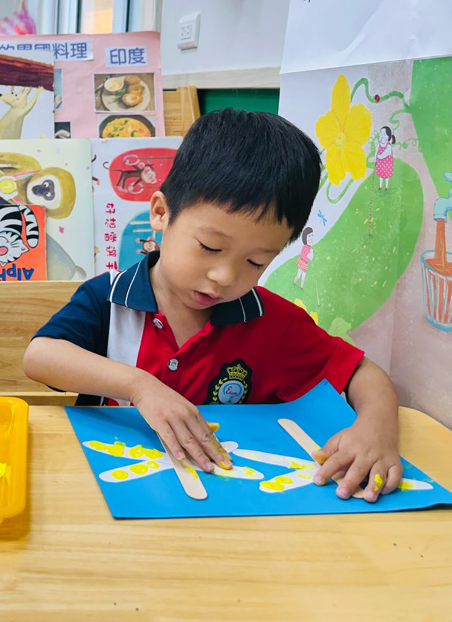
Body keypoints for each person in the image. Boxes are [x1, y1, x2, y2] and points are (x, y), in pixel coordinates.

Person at [23, 109, 402, 503]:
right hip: (109, 491)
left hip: (230, 505)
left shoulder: (274, 323)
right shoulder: (110, 298)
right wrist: (140, 386)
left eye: (255, 262)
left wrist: (376, 430)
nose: (224, 276)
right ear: (161, 213)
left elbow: (362, 372)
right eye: (210, 247)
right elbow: (41, 356)